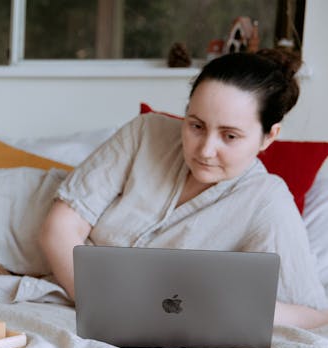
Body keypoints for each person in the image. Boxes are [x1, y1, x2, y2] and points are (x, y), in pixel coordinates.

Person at [39, 48, 328, 330]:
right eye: (196, 126)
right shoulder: (146, 132)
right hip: (8, 217)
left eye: (229, 136)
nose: (206, 150)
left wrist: (229, 307)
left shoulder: (267, 202)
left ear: (269, 136)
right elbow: (58, 228)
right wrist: (102, 306)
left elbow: (314, 315)